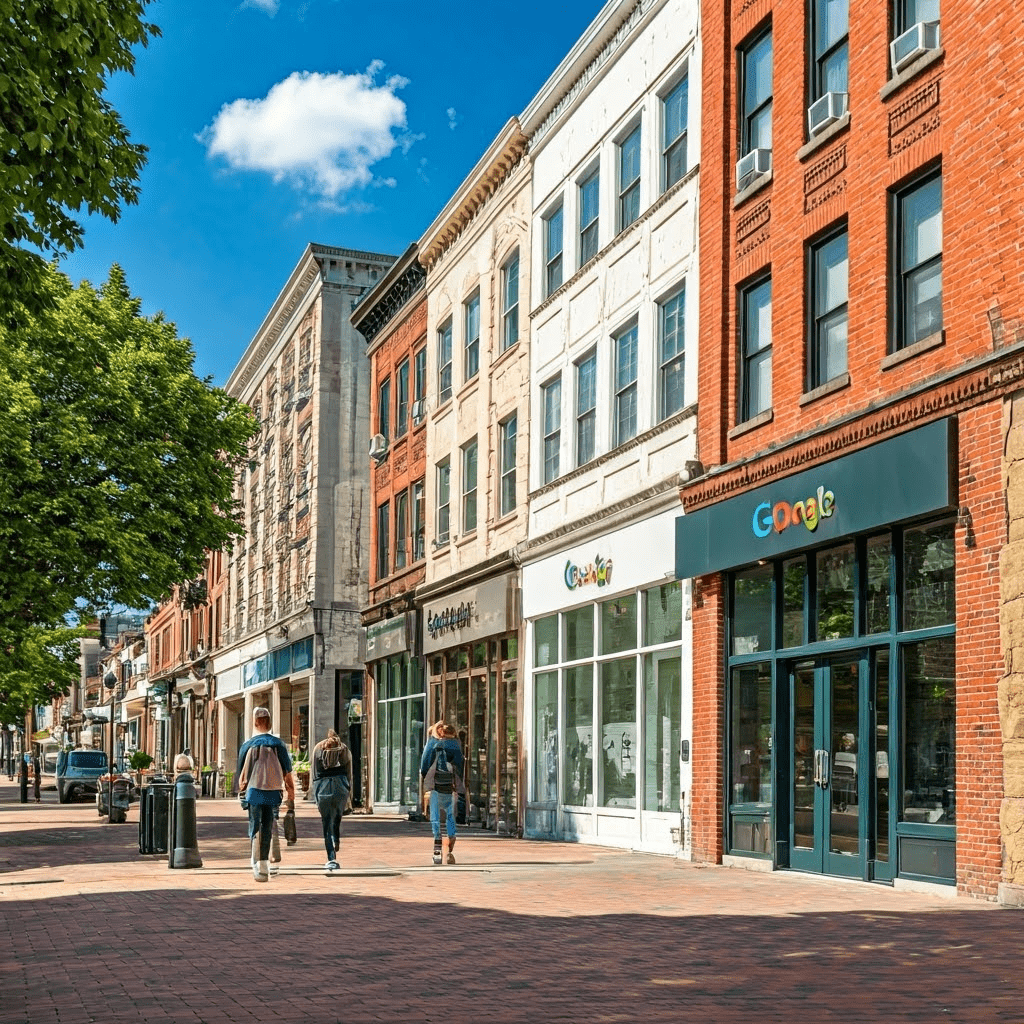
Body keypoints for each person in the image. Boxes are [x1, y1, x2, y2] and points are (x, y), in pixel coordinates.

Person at [237, 708, 294, 882]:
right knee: (268, 825)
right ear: (269, 723)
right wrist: (291, 793)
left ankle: (255, 863)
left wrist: (241, 793)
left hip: (254, 791)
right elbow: (287, 771)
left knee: (254, 825)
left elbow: (241, 772)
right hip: (273, 791)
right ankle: (264, 863)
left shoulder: (248, 745)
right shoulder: (278, 745)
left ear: (255, 722)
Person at [420, 721, 464, 865]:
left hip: (435, 787)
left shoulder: (433, 744)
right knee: (450, 817)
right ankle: (450, 847)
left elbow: (424, 765)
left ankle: (437, 851)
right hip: (450, 788)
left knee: (436, 819)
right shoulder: (456, 745)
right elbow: (460, 766)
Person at [310, 729, 353, 873]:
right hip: (340, 786)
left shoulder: (317, 748)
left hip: (322, 787)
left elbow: (314, 773)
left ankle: (331, 858)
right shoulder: (344, 750)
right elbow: (349, 772)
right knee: (337, 818)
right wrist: (348, 791)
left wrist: (315, 794)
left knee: (326, 822)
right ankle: (336, 839)